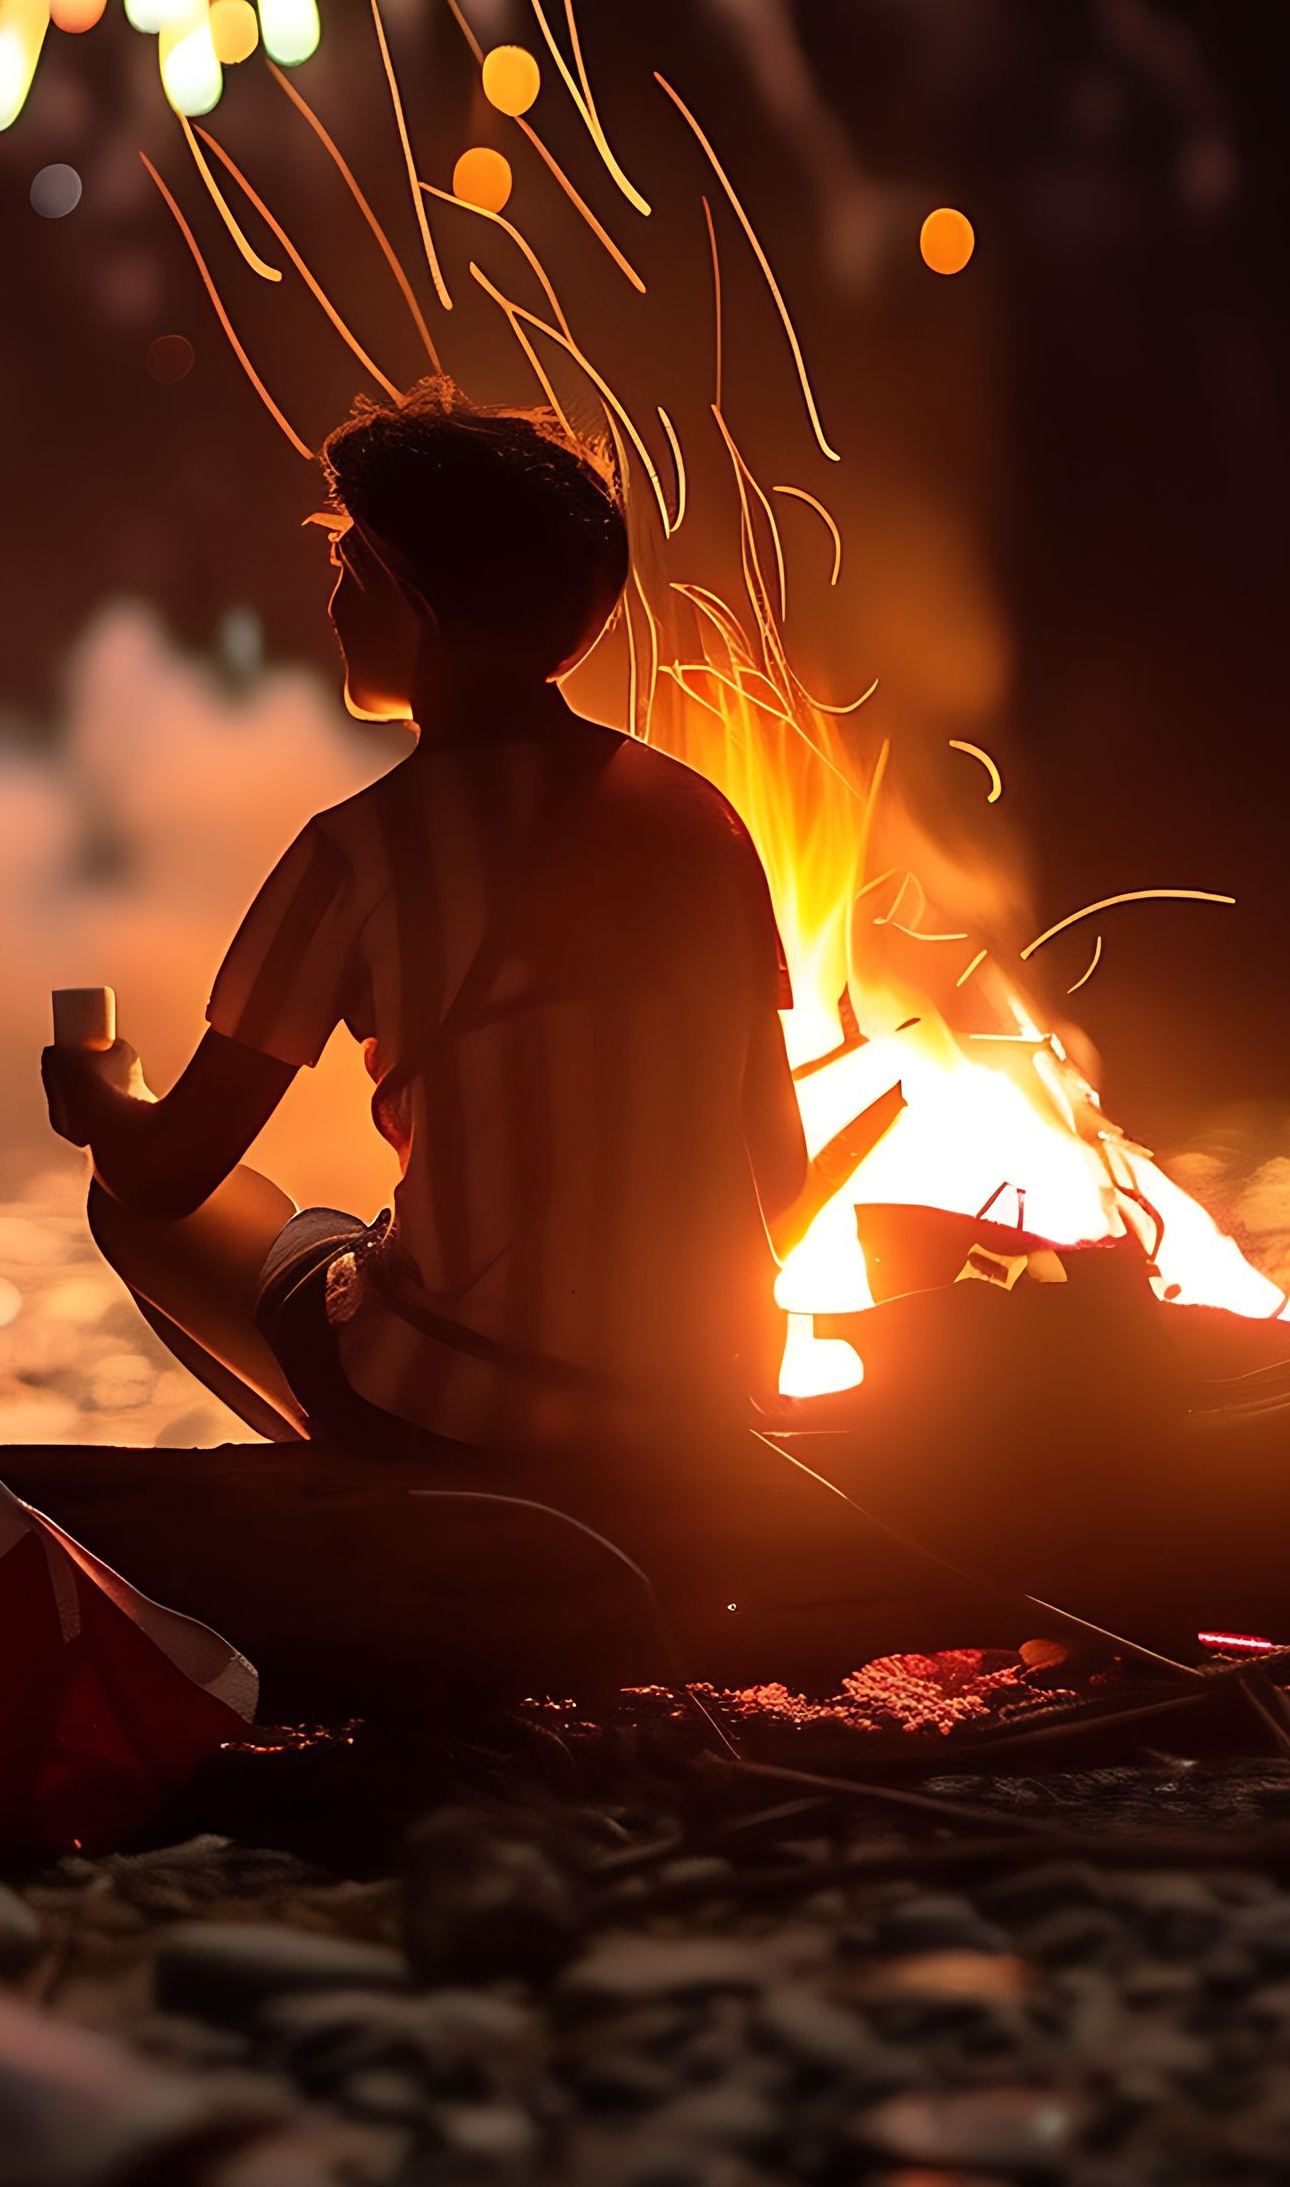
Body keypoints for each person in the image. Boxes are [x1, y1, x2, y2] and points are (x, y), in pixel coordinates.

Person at [45, 383, 802, 1474]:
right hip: (692, 1407)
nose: (335, 605)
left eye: (353, 571)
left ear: (418, 599)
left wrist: (101, 1096)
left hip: (460, 1414)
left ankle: (366, 1483)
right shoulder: (702, 818)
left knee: (163, 1212)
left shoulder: (353, 854)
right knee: (339, 1242)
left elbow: (170, 1173)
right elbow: (776, 1165)